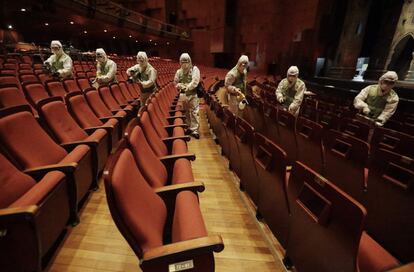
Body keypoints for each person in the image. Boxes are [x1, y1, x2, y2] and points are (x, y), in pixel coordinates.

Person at [174, 53, 200, 139]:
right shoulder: (179, 71)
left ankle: (195, 129)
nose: (184, 64)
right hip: (183, 95)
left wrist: (187, 87)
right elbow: (175, 82)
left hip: (192, 94)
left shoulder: (194, 69)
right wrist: (179, 85)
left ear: (189, 61)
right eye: (182, 62)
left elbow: (195, 81)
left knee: (194, 112)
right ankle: (189, 127)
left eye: (186, 62)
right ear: (180, 62)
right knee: (186, 112)